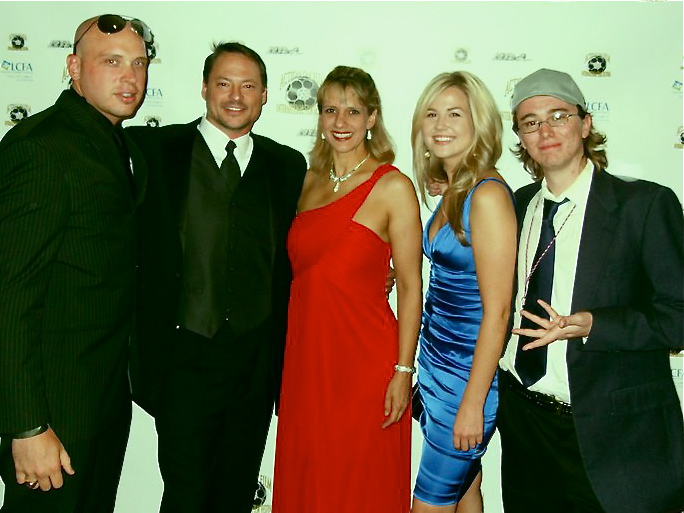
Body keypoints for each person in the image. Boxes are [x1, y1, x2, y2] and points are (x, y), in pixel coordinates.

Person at [127, 42, 307, 513]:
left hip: (255, 362)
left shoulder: (288, 165)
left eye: (248, 85)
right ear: (204, 88)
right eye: (224, 83)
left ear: (265, 95)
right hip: (182, 359)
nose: (235, 96)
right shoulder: (154, 149)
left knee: (234, 493)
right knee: (185, 496)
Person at [499, 68, 684, 513]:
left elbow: (679, 317)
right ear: (520, 138)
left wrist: (593, 325)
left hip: (615, 437)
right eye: (530, 122)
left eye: (558, 116)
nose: (545, 130)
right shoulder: (513, 205)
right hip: (526, 426)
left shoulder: (644, 205)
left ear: (585, 124)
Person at [0, 14, 152, 513]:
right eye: (111, 62)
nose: (129, 77)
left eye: (138, 63)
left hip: (103, 406)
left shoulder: (122, 146)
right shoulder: (42, 147)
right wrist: (26, 426)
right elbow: (10, 295)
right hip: (52, 418)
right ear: (74, 67)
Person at [271, 65, 423, 513]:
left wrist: (402, 371)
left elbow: (411, 287)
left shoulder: (392, 186)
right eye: (331, 110)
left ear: (372, 118)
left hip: (366, 364)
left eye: (353, 111)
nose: (341, 122)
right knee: (310, 476)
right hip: (306, 360)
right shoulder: (304, 184)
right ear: (318, 116)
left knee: (359, 482)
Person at [410, 72, 516, 513]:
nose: (440, 124)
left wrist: (473, 403)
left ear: (479, 124)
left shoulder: (486, 197)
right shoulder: (455, 188)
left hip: (464, 385)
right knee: (466, 493)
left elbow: (499, 313)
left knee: (429, 506)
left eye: (455, 114)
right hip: (436, 370)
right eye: (431, 114)